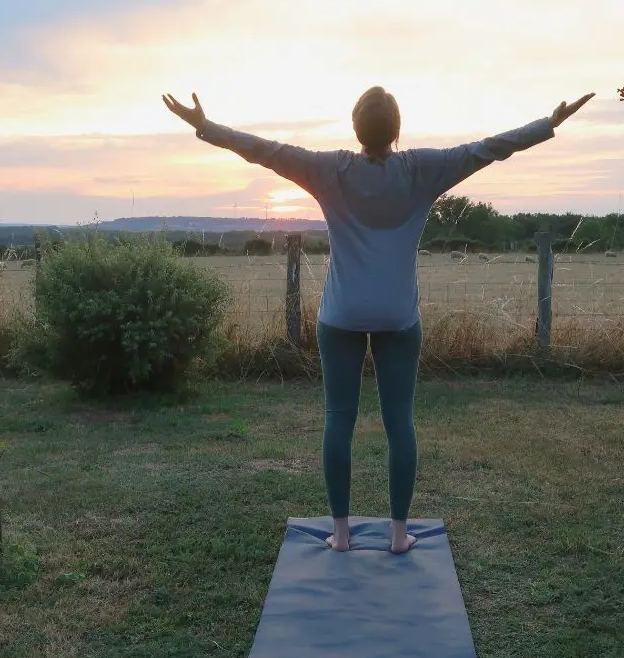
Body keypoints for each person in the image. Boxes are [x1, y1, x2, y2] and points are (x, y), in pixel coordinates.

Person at [163, 86, 595, 554]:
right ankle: (397, 533)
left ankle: (342, 533)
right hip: (398, 316)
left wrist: (205, 128)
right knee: (398, 421)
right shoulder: (422, 170)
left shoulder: (331, 170)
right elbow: (487, 150)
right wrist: (549, 123)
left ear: (355, 128)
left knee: (339, 419)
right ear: (397, 130)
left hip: (341, 314)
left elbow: (265, 152)